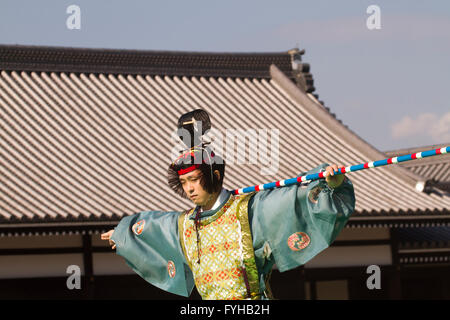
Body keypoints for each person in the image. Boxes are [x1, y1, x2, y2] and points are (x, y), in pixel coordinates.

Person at [101, 110, 355, 300]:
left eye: (194, 180)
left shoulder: (250, 210)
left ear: (215, 176)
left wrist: (330, 184)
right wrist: (122, 235)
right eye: (183, 182)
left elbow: (293, 200)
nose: (189, 188)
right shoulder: (183, 225)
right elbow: (151, 228)